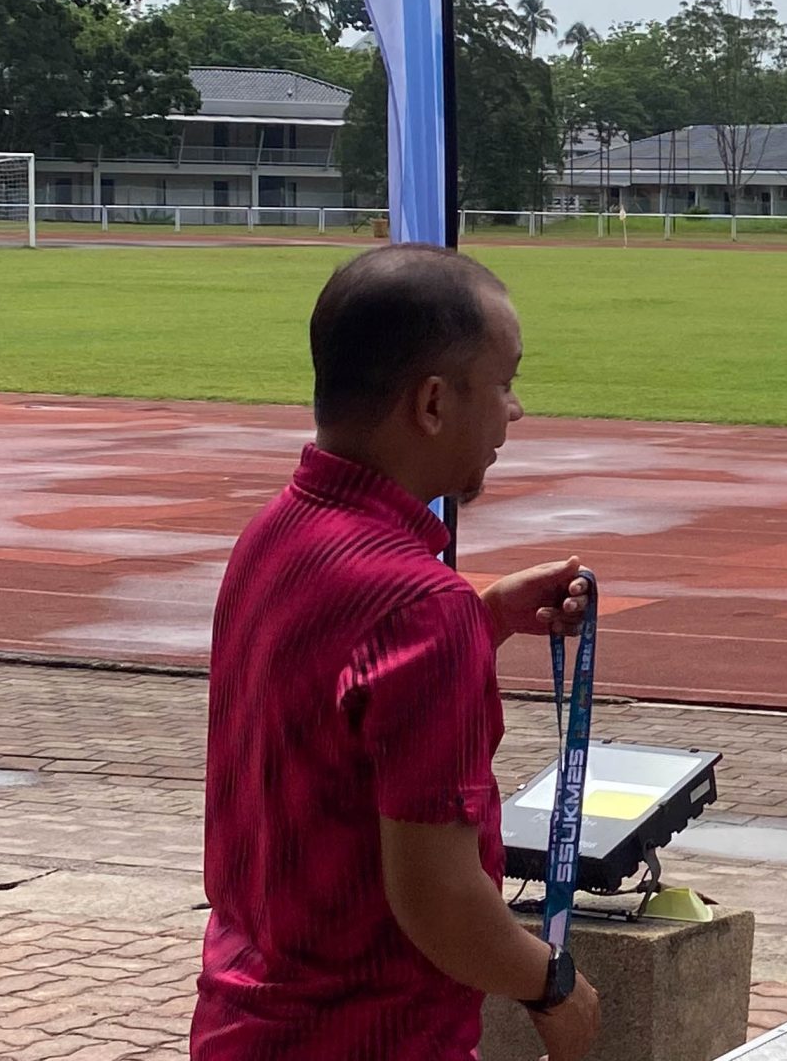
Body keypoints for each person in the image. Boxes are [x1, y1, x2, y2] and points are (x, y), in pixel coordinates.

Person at [192, 244, 602, 1061]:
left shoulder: (275, 531)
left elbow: (334, 709)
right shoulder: (420, 608)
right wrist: (556, 988)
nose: (515, 411)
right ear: (434, 403)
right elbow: (438, 898)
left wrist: (484, 618)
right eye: (505, 382)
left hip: (244, 1021)